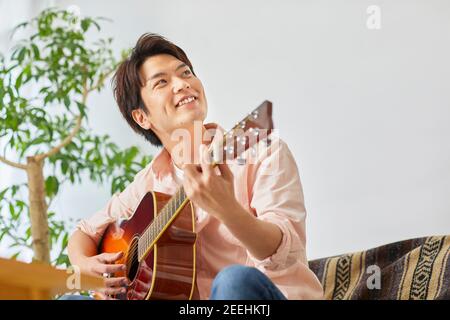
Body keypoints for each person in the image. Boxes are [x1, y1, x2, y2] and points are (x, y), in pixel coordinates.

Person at [63, 33, 323, 300]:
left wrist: (228, 209)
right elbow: (84, 232)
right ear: (142, 117)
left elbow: (282, 254)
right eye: (161, 82)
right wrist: (84, 266)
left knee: (233, 281)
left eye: (185, 73)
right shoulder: (148, 185)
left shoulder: (262, 153)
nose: (181, 84)